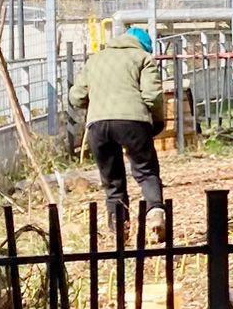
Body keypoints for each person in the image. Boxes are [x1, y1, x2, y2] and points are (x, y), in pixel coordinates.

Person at [70, 24, 166, 237]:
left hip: (98, 124)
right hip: (133, 122)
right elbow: (153, 97)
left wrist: (97, 104)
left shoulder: (95, 59)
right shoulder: (143, 58)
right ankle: (154, 212)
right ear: (144, 46)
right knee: (146, 171)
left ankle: (119, 229)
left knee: (112, 181)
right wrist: (158, 122)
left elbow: (76, 96)